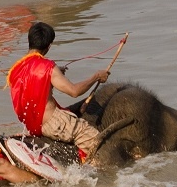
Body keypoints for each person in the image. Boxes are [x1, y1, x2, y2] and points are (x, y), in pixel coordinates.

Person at [6, 22, 109, 162]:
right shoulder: (48, 67)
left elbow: (32, 89)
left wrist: (54, 74)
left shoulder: (15, 69)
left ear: (30, 41)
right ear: (48, 46)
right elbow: (74, 92)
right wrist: (96, 76)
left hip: (32, 125)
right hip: (53, 123)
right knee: (99, 142)